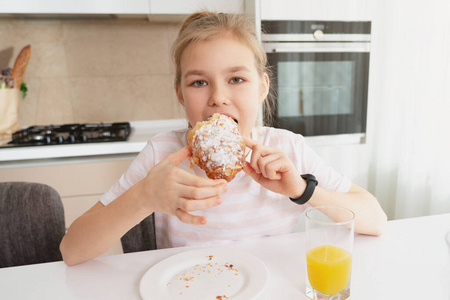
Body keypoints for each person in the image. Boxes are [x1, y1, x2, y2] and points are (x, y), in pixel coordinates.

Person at [60, 11, 387, 266]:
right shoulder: (161, 153)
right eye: (199, 83)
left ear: (261, 87)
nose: (218, 97)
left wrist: (301, 189)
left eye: (236, 78)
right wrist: (144, 196)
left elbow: (375, 220)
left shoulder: (288, 149)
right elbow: (72, 250)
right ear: (180, 94)